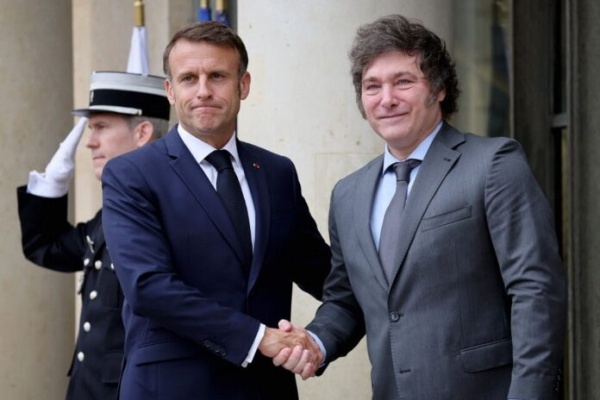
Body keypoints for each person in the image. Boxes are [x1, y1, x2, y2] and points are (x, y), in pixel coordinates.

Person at [275, 14, 568, 400]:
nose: (387, 99)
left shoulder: (493, 164)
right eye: (372, 86)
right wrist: (315, 341)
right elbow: (346, 300)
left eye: (403, 81)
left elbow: (535, 291)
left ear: (440, 88)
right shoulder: (348, 195)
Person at [100, 21, 331, 400]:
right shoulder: (131, 174)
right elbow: (147, 287)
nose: (203, 91)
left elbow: (323, 273)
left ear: (243, 85)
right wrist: (258, 337)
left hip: (265, 390)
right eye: (189, 78)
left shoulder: (277, 173)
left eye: (218, 76)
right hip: (170, 389)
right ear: (171, 91)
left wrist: (322, 338)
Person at [17, 71, 171, 400]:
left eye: (101, 127)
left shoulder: (169, 211)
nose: (90, 141)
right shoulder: (112, 213)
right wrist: (53, 181)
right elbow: (45, 246)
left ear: (142, 133)